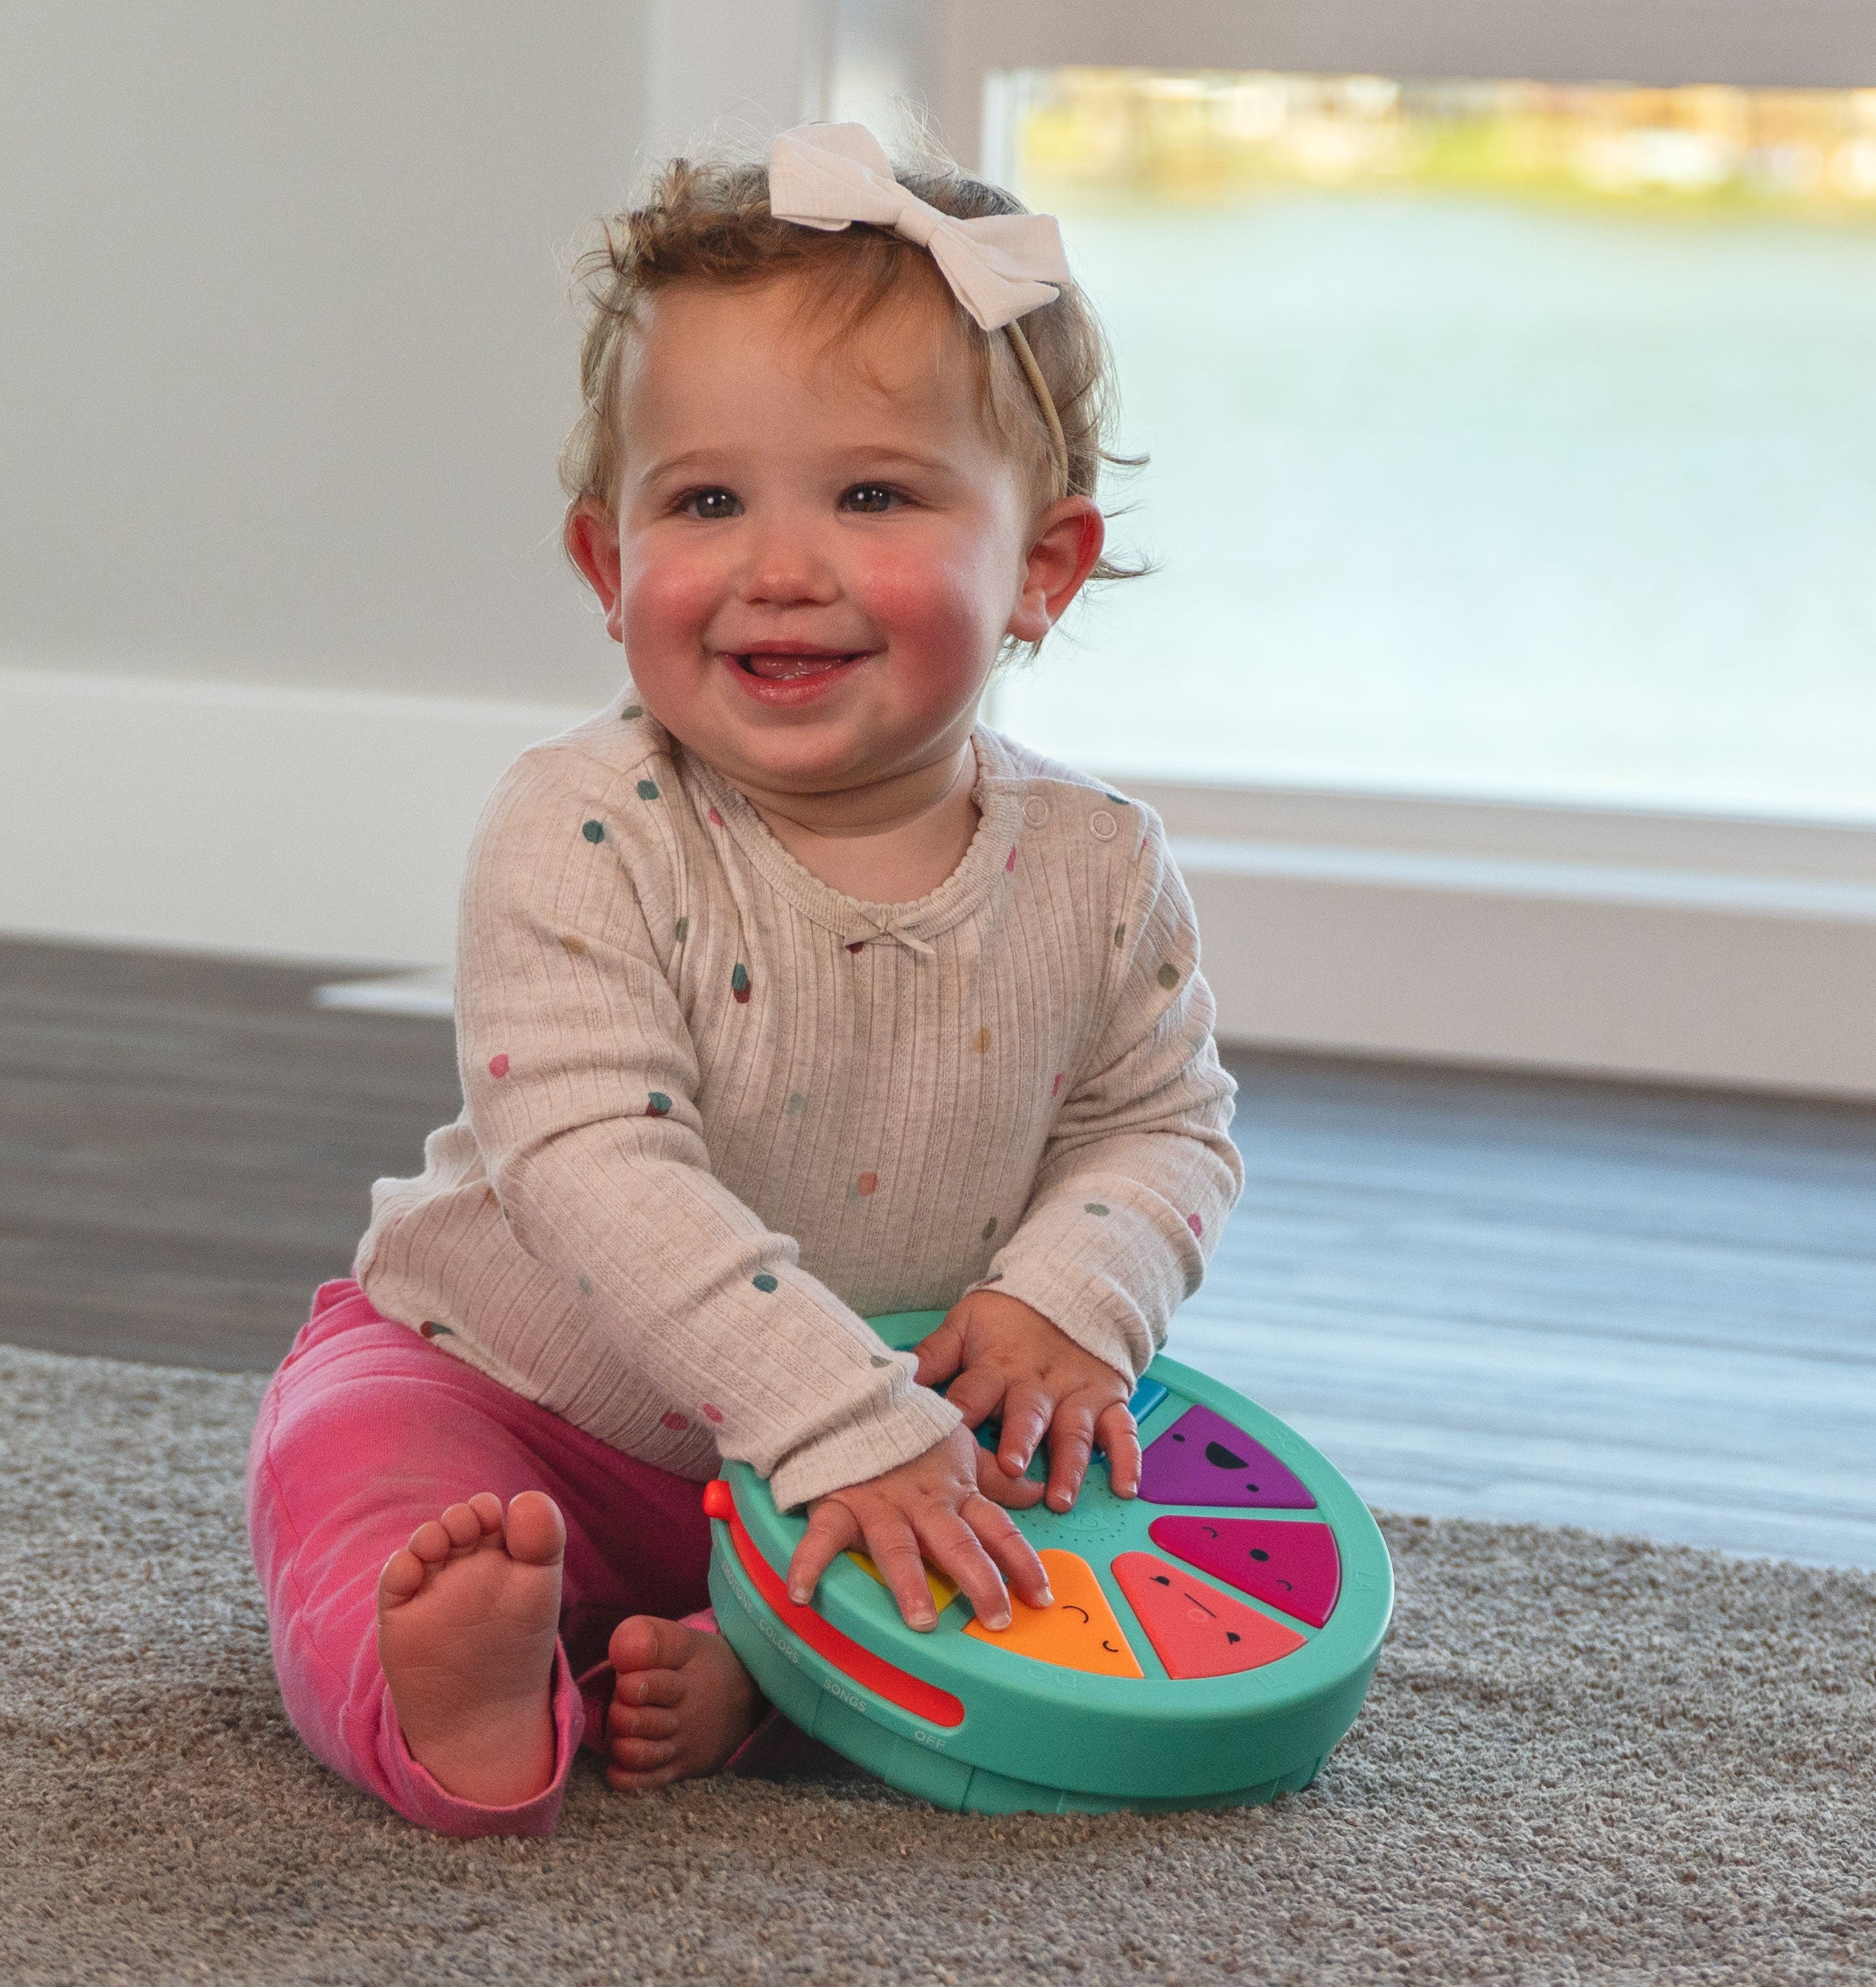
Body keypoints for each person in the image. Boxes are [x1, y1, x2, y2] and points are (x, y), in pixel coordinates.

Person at [246, 123, 1241, 1838]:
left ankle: (753, 1673)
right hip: (518, 1395)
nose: (782, 566)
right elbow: (592, 1166)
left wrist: (1074, 1297)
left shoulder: (1096, 872)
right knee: (352, 1464)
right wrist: (823, 1416)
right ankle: (441, 1690)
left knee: (1029, 1524)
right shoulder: (581, 830)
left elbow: (1165, 1128)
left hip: (897, 1425)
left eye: (872, 495)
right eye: (707, 500)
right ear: (608, 562)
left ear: (1045, 571)